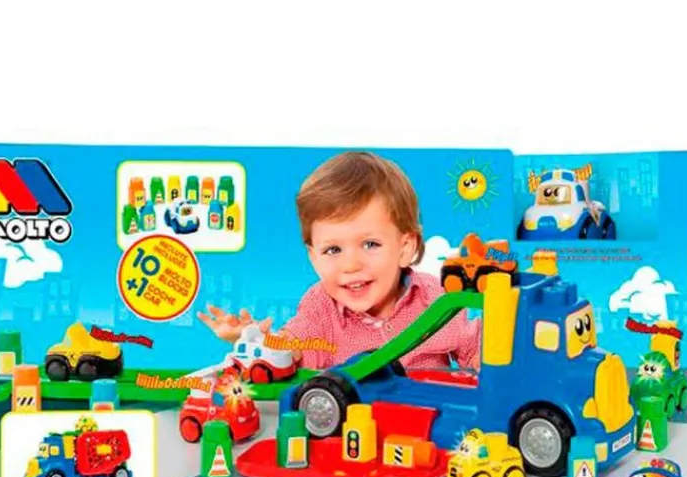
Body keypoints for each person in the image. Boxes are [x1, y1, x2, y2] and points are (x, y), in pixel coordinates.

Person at [198, 151, 481, 370]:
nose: (351, 265)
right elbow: (291, 347)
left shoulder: (435, 299)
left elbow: (477, 350)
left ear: (405, 247)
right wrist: (253, 340)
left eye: (370, 244)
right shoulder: (321, 308)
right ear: (313, 257)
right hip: (351, 426)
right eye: (333, 250)